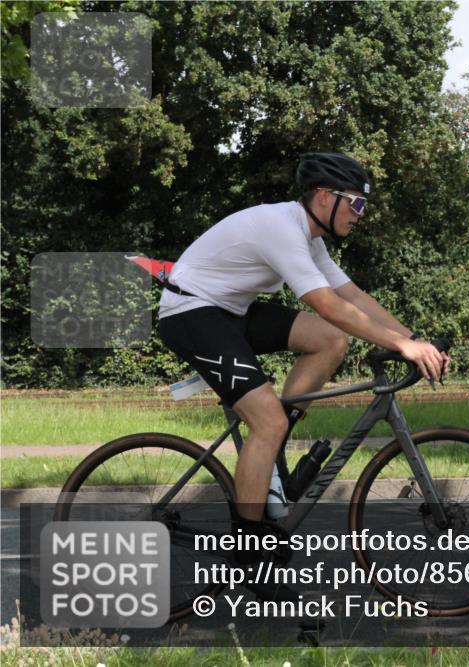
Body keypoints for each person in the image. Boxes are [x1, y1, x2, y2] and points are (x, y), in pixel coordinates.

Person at [157, 152, 449, 539]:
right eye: (357, 202)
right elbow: (326, 304)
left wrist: (413, 341)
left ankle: (272, 454)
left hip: (230, 310)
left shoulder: (311, 239)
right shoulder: (280, 227)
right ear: (326, 197)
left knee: (329, 341)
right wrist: (402, 345)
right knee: (268, 420)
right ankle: (248, 552)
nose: (360, 213)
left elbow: (353, 297)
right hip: (190, 314)